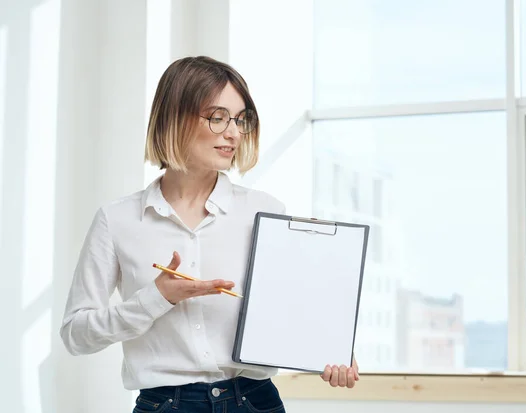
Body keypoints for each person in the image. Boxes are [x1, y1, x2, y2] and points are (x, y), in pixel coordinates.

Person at [60, 56, 359, 413]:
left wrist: (332, 349)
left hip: (255, 401)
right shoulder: (117, 219)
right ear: (174, 118)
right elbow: (76, 336)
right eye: (217, 118)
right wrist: (156, 298)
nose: (233, 133)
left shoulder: (266, 211)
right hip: (165, 405)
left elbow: (300, 310)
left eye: (240, 119)